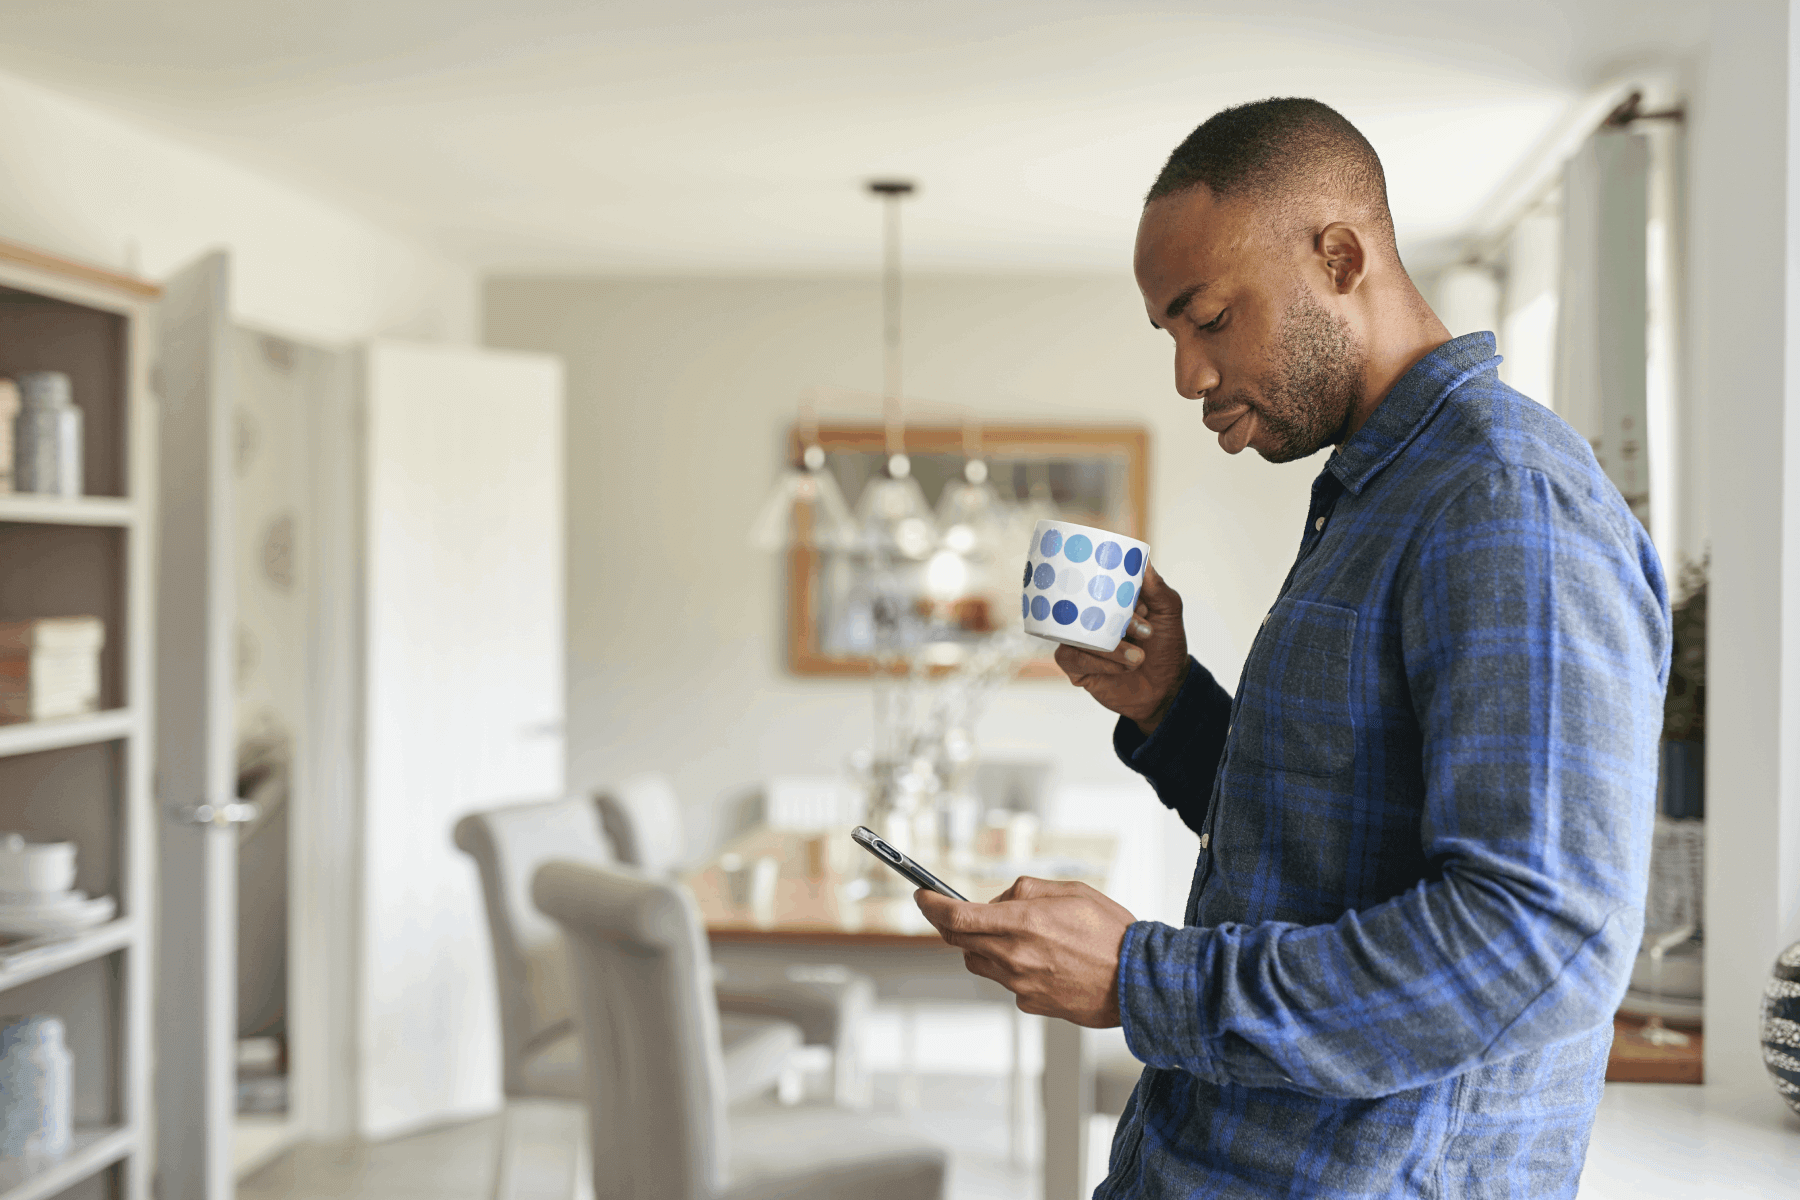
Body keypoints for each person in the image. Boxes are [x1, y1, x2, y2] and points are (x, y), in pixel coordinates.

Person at [913, 98, 1671, 1198]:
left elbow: (1531, 941)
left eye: (1209, 318)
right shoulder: (1383, 494)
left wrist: (1141, 980)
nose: (1186, 375)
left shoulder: (1504, 501)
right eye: (1169, 334)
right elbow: (1324, 843)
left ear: (1341, 256)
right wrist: (1169, 705)